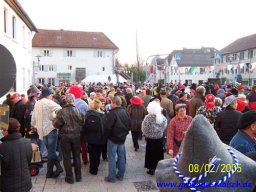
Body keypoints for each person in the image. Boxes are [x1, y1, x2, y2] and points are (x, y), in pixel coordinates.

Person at [31, 87, 63, 178]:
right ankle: (49, 173)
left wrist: (33, 126)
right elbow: (60, 109)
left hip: (41, 130)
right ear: (48, 95)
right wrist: (56, 119)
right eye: (50, 95)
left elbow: (33, 118)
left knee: (50, 151)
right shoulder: (48, 102)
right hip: (50, 129)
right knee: (51, 152)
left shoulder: (37, 103)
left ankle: (58, 168)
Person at [53, 94, 84, 184]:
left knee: (66, 157)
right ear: (73, 101)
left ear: (66, 101)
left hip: (65, 137)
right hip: (76, 136)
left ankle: (69, 177)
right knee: (77, 156)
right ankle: (78, 176)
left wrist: (54, 122)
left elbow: (57, 124)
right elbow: (83, 122)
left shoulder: (61, 111)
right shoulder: (78, 110)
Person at [0, 118, 33, 192]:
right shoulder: (27, 142)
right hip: (26, 182)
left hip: (9, 186)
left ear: (6, 131)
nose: (2, 132)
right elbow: (28, 160)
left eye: (3, 130)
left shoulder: (2, 147)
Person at [104, 96, 131, 183]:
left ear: (114, 103)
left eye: (111, 102)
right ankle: (120, 175)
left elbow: (108, 128)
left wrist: (106, 136)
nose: (110, 104)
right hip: (121, 138)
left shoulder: (112, 113)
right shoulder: (125, 112)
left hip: (113, 139)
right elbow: (129, 125)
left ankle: (111, 177)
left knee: (112, 158)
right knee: (121, 157)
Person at [142, 101, 167, 175]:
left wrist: (145, 134)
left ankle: (151, 168)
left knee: (150, 153)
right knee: (159, 153)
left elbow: (144, 128)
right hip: (159, 138)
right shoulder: (162, 117)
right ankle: (159, 167)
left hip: (150, 139)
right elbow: (164, 126)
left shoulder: (148, 117)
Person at [85, 99, 106, 175]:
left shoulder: (87, 114)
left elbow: (84, 126)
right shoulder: (103, 115)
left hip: (90, 138)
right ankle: (96, 166)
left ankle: (93, 169)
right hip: (100, 138)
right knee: (98, 153)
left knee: (92, 154)